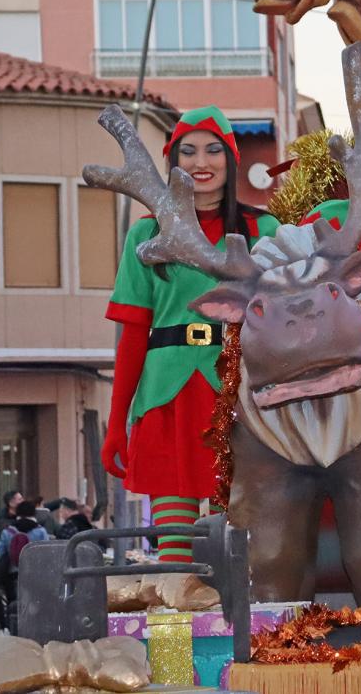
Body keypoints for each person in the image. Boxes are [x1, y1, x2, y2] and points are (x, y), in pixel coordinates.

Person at [103, 106, 280, 562]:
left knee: (239, 550)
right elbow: (134, 333)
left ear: (231, 157)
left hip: (240, 396)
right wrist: (116, 422)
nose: (201, 162)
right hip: (167, 398)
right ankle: (176, 637)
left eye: (213, 149)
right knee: (176, 554)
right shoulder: (145, 233)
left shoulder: (266, 230)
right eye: (188, 151)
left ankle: (244, 637)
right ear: (173, 161)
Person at [0, 500, 48, 565]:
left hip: (12, 571)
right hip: (35, 570)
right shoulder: (41, 531)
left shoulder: (7, 531)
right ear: (34, 513)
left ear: (17, 513)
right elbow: (46, 552)